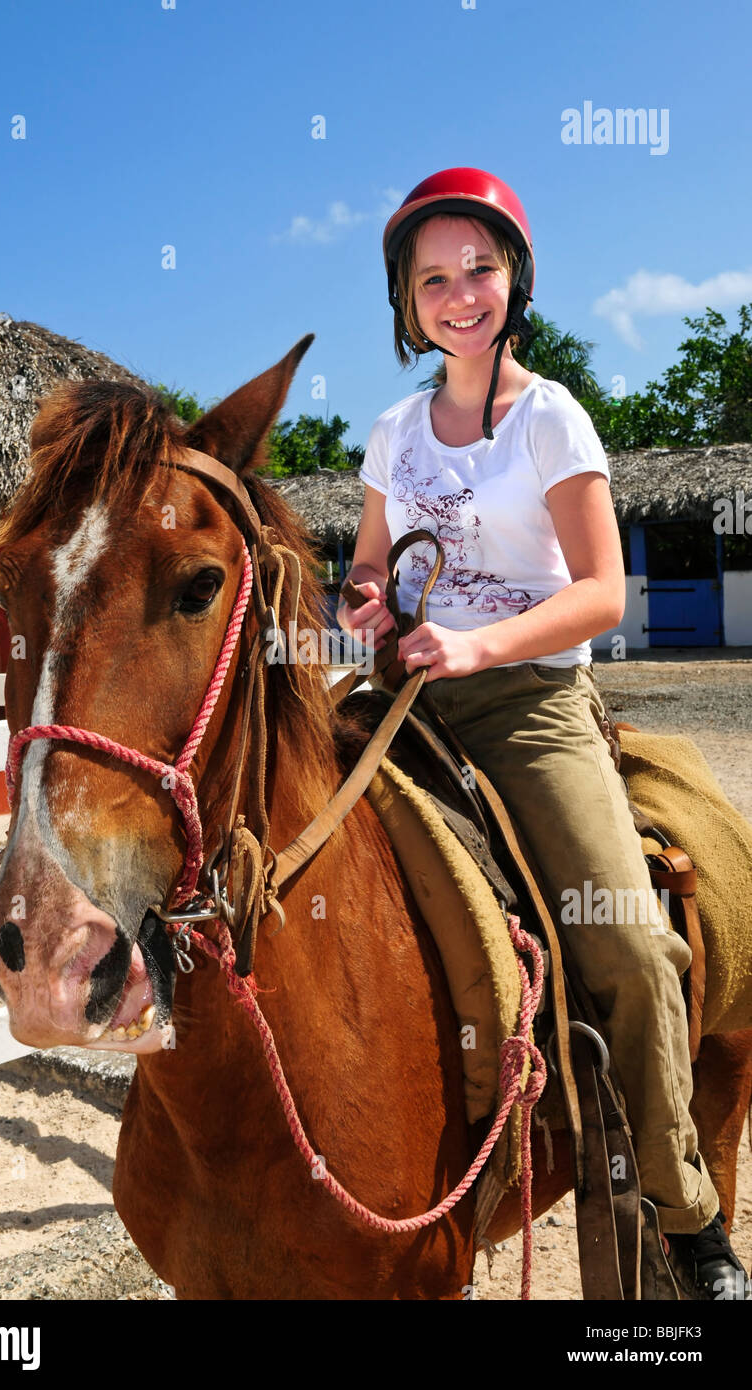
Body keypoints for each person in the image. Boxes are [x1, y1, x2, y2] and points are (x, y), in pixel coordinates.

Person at [337, 166, 750, 1300]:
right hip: (400, 693)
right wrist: (362, 601)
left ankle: (686, 1216)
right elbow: (366, 567)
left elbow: (602, 592)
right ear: (404, 299)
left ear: (513, 276)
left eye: (478, 267)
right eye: (433, 277)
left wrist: (474, 646)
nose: (458, 292)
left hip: (525, 702)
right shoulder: (389, 429)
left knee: (620, 943)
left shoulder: (551, 415)